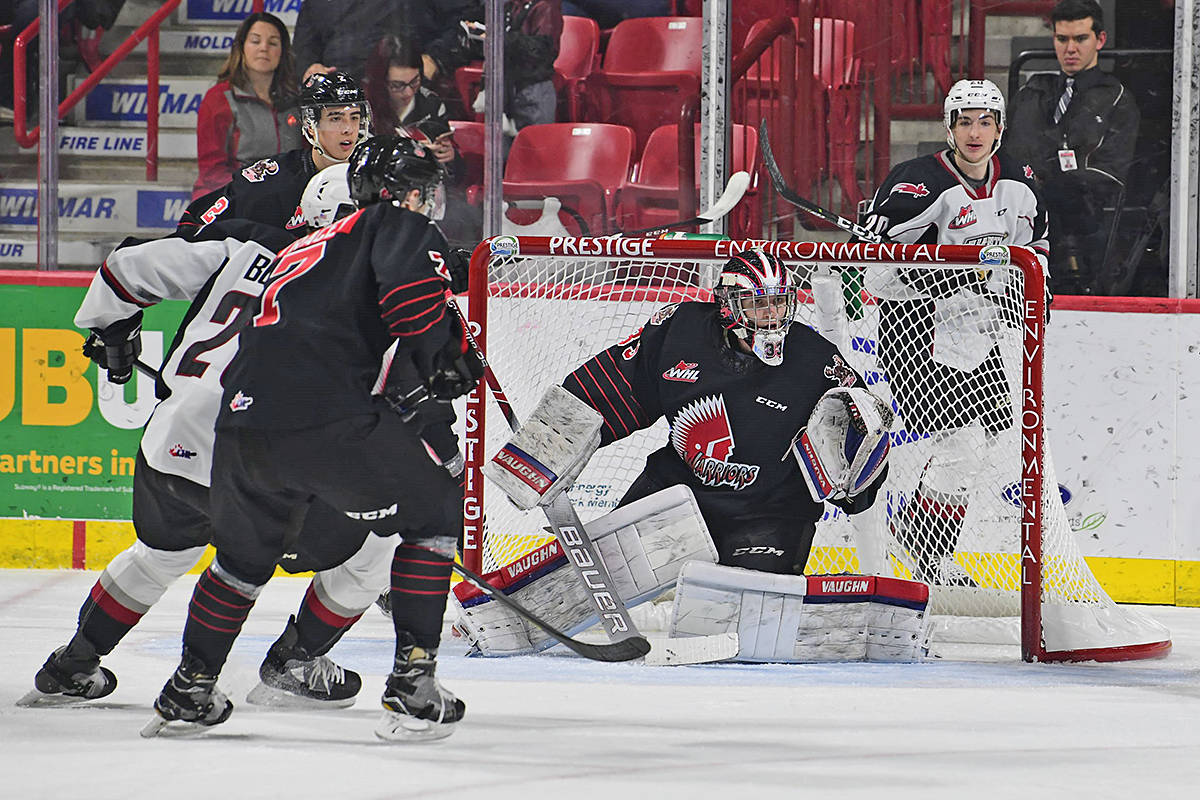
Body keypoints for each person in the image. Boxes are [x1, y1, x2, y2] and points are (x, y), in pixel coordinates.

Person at [144, 135, 481, 743]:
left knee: (242, 562)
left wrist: (451, 274)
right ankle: (413, 682)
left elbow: (343, 307)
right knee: (433, 515)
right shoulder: (395, 226)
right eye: (424, 192)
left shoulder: (307, 245)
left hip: (241, 427)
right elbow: (412, 310)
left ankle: (190, 687)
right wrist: (447, 358)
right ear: (400, 193)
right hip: (325, 419)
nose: (430, 204)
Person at [19, 167, 390, 711]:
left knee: (159, 555)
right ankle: (292, 660)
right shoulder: (369, 289)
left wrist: (111, 330)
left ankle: (71, 665)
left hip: (171, 443)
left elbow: (124, 270)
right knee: (381, 541)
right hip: (259, 464)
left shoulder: (245, 244)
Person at [490, 248, 887, 576]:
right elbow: (612, 388)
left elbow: (858, 446)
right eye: (757, 304)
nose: (771, 315)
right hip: (677, 492)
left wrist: (855, 483)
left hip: (769, 513)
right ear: (729, 306)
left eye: (779, 303)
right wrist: (540, 456)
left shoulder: (816, 360)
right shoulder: (679, 333)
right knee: (591, 578)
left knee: (745, 620)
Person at [857, 78, 1049, 586]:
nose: (975, 132)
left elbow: (1038, 246)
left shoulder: (1021, 181)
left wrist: (1034, 294)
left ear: (1000, 128)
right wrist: (911, 258)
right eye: (964, 121)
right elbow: (877, 274)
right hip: (915, 328)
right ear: (948, 127)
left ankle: (923, 543)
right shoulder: (914, 182)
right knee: (960, 444)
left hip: (976, 331)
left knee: (977, 445)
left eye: (985, 121)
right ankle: (929, 556)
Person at [1005, 0, 1139, 295]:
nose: (1070, 49)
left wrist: (1049, 184)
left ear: (1100, 39)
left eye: (1080, 39)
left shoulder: (1117, 99)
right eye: (1062, 39)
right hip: (1015, 223)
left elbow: (1111, 176)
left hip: (1080, 233)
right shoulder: (1032, 92)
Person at [177, 71, 372, 238]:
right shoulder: (273, 181)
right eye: (335, 118)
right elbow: (193, 226)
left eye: (354, 118)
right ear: (311, 126)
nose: (348, 129)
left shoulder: (375, 178)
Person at [192, 12, 302, 199]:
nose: (264, 48)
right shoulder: (219, 98)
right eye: (255, 41)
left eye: (273, 43)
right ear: (241, 47)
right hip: (232, 197)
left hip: (287, 198)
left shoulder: (296, 100)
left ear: (283, 52)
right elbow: (212, 172)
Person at [425, 0, 563, 132]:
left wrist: (499, 38)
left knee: (532, 146)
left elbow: (543, 50)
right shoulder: (510, 5)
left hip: (532, 87)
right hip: (505, 86)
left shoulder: (546, 7)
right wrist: (479, 34)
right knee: (503, 150)